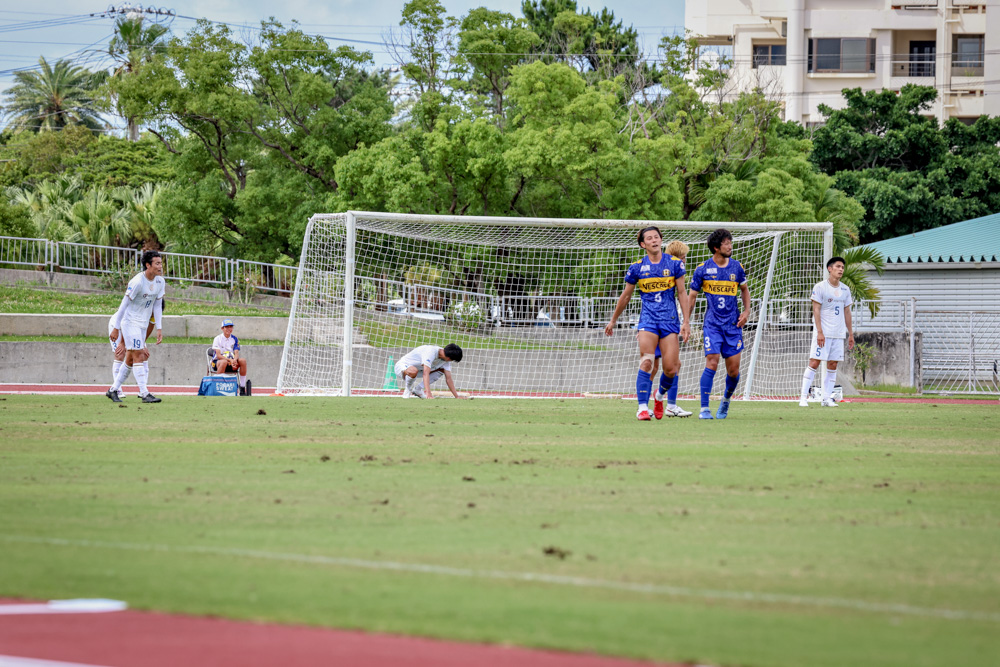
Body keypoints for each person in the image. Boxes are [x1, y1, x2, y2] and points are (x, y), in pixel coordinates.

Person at [605, 226, 687, 421]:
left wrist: (686, 322)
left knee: (671, 369)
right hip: (648, 322)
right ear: (643, 244)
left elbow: (682, 293)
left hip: (669, 321)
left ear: (661, 240)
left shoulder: (675, 264)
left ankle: (659, 397)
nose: (654, 240)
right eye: (649, 238)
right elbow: (626, 296)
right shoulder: (637, 267)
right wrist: (613, 320)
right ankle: (642, 407)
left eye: (656, 237)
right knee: (647, 363)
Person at [682, 229, 750, 420]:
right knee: (712, 361)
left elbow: (744, 290)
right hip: (712, 325)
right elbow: (692, 297)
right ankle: (704, 409)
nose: (730, 246)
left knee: (734, 370)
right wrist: (686, 322)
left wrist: (746, 312)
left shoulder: (737, 267)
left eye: (730, 242)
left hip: (733, 326)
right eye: (726, 243)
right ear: (716, 247)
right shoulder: (702, 269)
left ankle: (726, 400)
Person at [106, 250, 165, 403]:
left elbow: (158, 306)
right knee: (139, 355)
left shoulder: (160, 282)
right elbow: (123, 305)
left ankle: (113, 390)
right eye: (157, 263)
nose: (160, 266)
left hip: (142, 324)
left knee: (131, 359)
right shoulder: (137, 281)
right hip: (130, 322)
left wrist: (159, 328)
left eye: (161, 263)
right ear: (148, 265)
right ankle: (144, 394)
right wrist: (116, 327)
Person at [644, 239, 693, 418]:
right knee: (653, 365)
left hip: (667, 323)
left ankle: (666, 403)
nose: (685, 261)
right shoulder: (667, 269)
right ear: (678, 257)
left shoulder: (672, 270)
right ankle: (649, 403)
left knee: (673, 365)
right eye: (684, 258)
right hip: (656, 324)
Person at [800, 257, 855, 407]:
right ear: (830, 269)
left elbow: (847, 312)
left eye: (842, 267)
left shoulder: (845, 289)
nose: (841, 269)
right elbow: (816, 310)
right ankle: (803, 398)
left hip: (838, 334)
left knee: (833, 364)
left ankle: (826, 398)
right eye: (838, 266)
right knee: (814, 362)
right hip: (823, 333)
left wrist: (850, 334)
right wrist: (819, 332)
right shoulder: (820, 287)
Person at [108, 300, 164, 400]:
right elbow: (125, 322)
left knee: (141, 356)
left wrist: (142, 344)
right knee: (121, 354)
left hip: (135, 328)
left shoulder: (152, 311)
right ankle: (124, 390)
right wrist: (122, 343)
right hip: (118, 325)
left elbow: (150, 327)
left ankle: (115, 390)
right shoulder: (137, 307)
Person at [395, 343, 464, 399]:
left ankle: (418, 389)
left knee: (441, 370)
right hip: (402, 367)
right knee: (413, 370)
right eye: (452, 360)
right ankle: (408, 389)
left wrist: (456, 396)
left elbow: (449, 379)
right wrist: (428, 393)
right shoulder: (430, 352)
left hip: (419, 370)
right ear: (449, 358)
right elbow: (426, 373)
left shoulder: (446, 361)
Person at [212, 319, 251, 396]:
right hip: (218, 362)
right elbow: (219, 355)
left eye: (231, 327)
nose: (229, 329)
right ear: (222, 328)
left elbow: (236, 353)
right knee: (224, 362)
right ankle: (218, 387)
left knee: (242, 361)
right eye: (226, 327)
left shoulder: (234, 338)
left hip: (231, 362)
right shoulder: (217, 339)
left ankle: (242, 388)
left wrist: (234, 360)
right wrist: (230, 360)